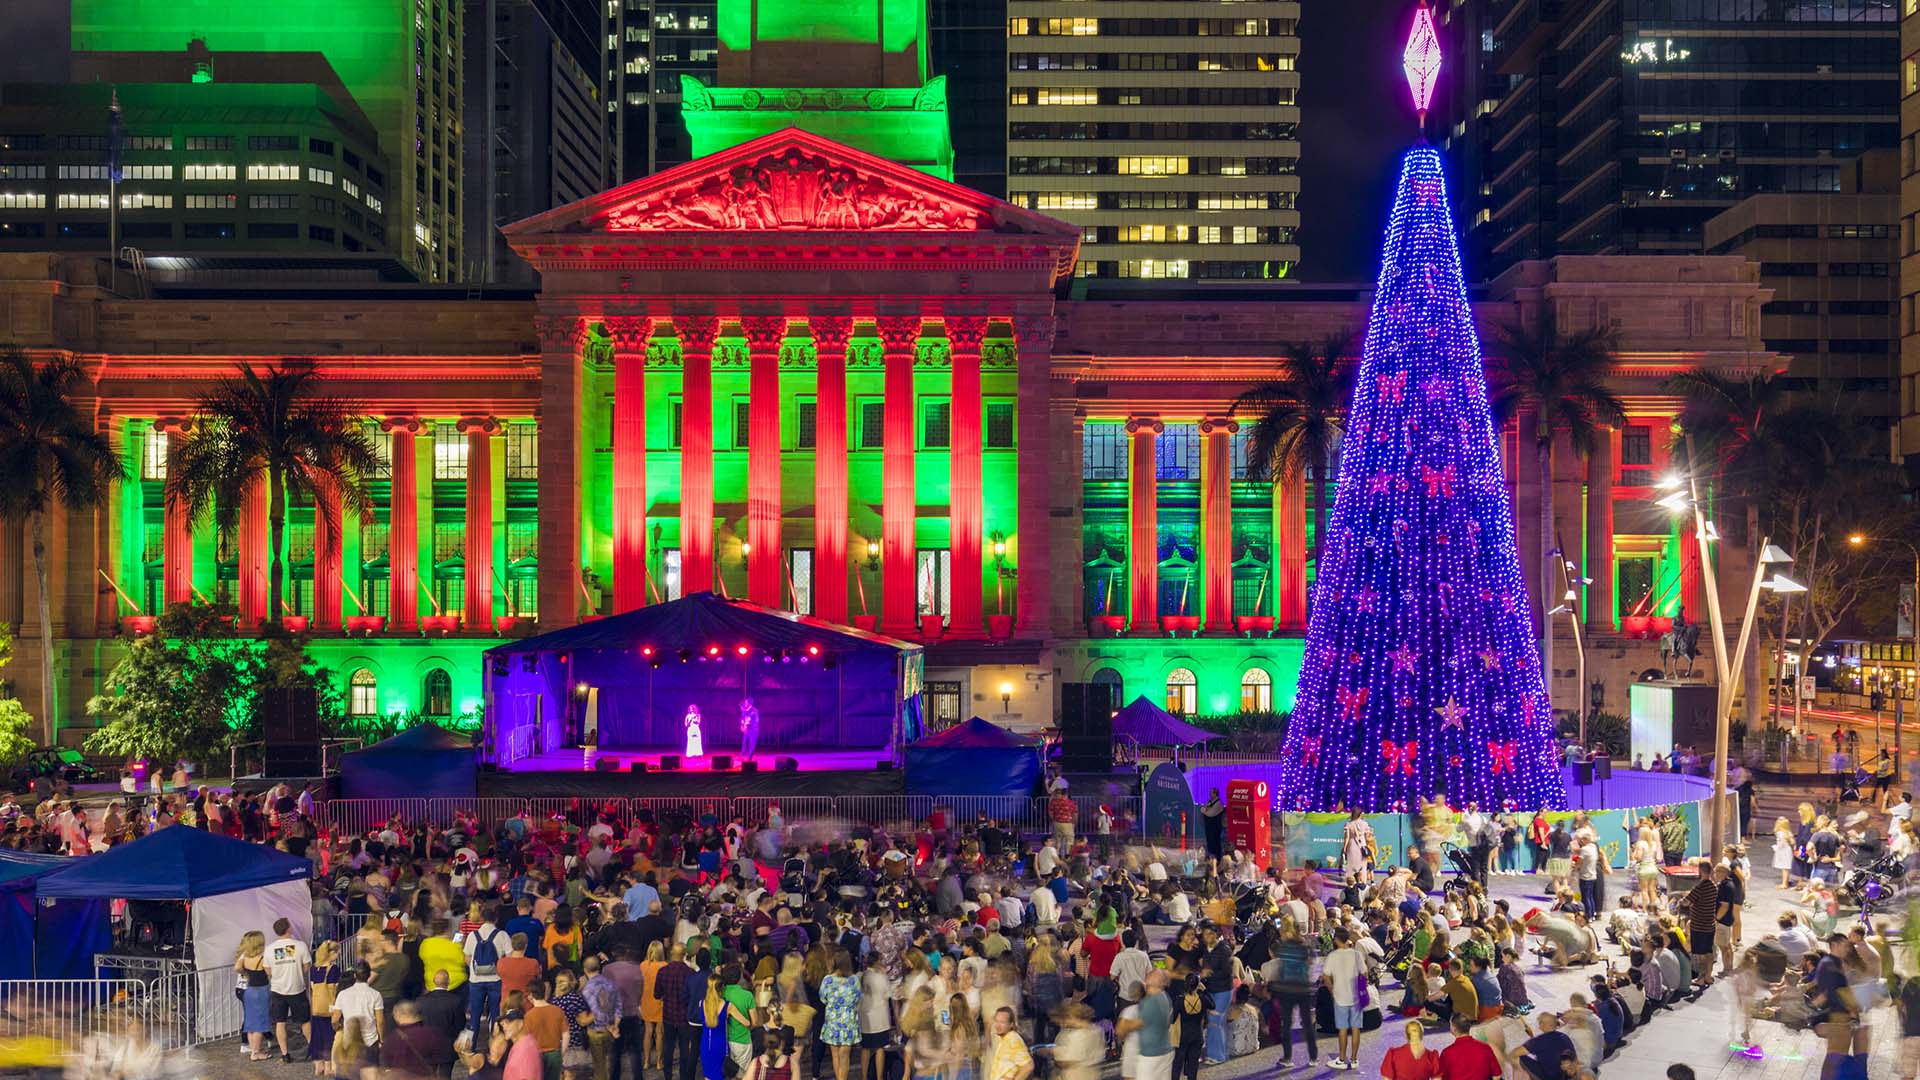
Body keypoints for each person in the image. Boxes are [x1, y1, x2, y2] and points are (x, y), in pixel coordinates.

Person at [1265, 919, 1316, 1068]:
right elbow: (1310, 964)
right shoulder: (1306, 946)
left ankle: (1287, 1058)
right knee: (1307, 1024)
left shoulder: (1283, 947)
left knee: (1286, 1024)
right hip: (1303, 988)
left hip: (1287, 990)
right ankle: (1313, 1057)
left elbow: (1281, 969)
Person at [267, 916, 314, 1064]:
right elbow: (306, 966)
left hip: (278, 989)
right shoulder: (300, 946)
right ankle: (313, 1048)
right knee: (305, 1021)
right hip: (297, 988)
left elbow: (267, 970)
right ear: (289, 929)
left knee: (280, 1022)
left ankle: (285, 1053)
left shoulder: (269, 949)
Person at [1322, 926, 1367, 1071]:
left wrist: (1332, 990)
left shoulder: (1333, 956)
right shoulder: (1356, 955)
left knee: (1342, 1029)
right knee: (1356, 1029)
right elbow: (1364, 974)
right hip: (1356, 998)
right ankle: (1354, 1059)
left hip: (1340, 996)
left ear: (1336, 940)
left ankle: (1342, 1059)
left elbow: (1326, 977)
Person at [333, 965, 385, 1078]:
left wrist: (337, 1028)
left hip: (349, 1039)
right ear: (368, 976)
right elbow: (380, 1021)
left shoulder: (343, 994)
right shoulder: (375, 994)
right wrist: (381, 1038)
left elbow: (335, 1019)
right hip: (370, 1040)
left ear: (355, 975)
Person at [819, 953, 861, 1080]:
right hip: (849, 1020)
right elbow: (857, 998)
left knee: (835, 1056)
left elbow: (822, 998)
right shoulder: (854, 979)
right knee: (845, 1057)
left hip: (832, 1020)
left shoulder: (827, 980)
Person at [238, 929, 275, 1061]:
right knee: (260, 1022)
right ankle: (256, 1052)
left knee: (250, 1022)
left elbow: (237, 967)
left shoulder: (245, 957)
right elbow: (270, 973)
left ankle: (253, 1049)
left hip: (249, 991)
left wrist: (246, 974)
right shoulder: (262, 958)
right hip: (261, 991)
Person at [1437, 1012, 1501, 1080]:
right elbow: (1497, 1076)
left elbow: (1438, 1077)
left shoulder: (1447, 1053)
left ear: (1454, 1029)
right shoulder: (1486, 1048)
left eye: (1450, 1024)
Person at [987, 1007, 1031, 1080]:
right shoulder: (1003, 1039)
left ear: (1011, 1024)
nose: (998, 1025)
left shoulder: (1013, 1039)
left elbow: (1028, 1066)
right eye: (996, 1021)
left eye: (1002, 1022)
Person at [739, 697, 761, 762]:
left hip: (753, 730)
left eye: (746, 702)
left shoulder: (754, 711)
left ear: (749, 703)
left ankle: (750, 757)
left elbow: (756, 721)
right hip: (747, 729)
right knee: (744, 740)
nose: (745, 703)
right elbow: (742, 718)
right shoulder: (745, 710)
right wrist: (742, 724)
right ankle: (743, 752)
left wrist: (749, 722)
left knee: (752, 743)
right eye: (745, 702)